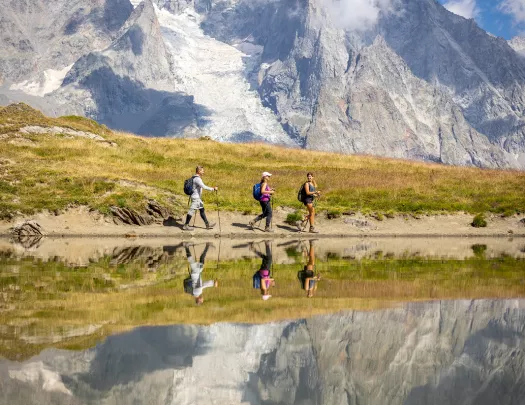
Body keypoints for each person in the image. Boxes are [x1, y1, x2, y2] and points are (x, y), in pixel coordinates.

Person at [183, 166, 218, 231]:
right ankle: (186, 225)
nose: (203, 172)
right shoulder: (197, 179)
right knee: (191, 211)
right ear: (199, 171)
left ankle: (207, 224)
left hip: (197, 198)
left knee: (202, 210)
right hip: (196, 198)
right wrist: (213, 189)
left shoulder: (194, 177)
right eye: (202, 171)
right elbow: (203, 186)